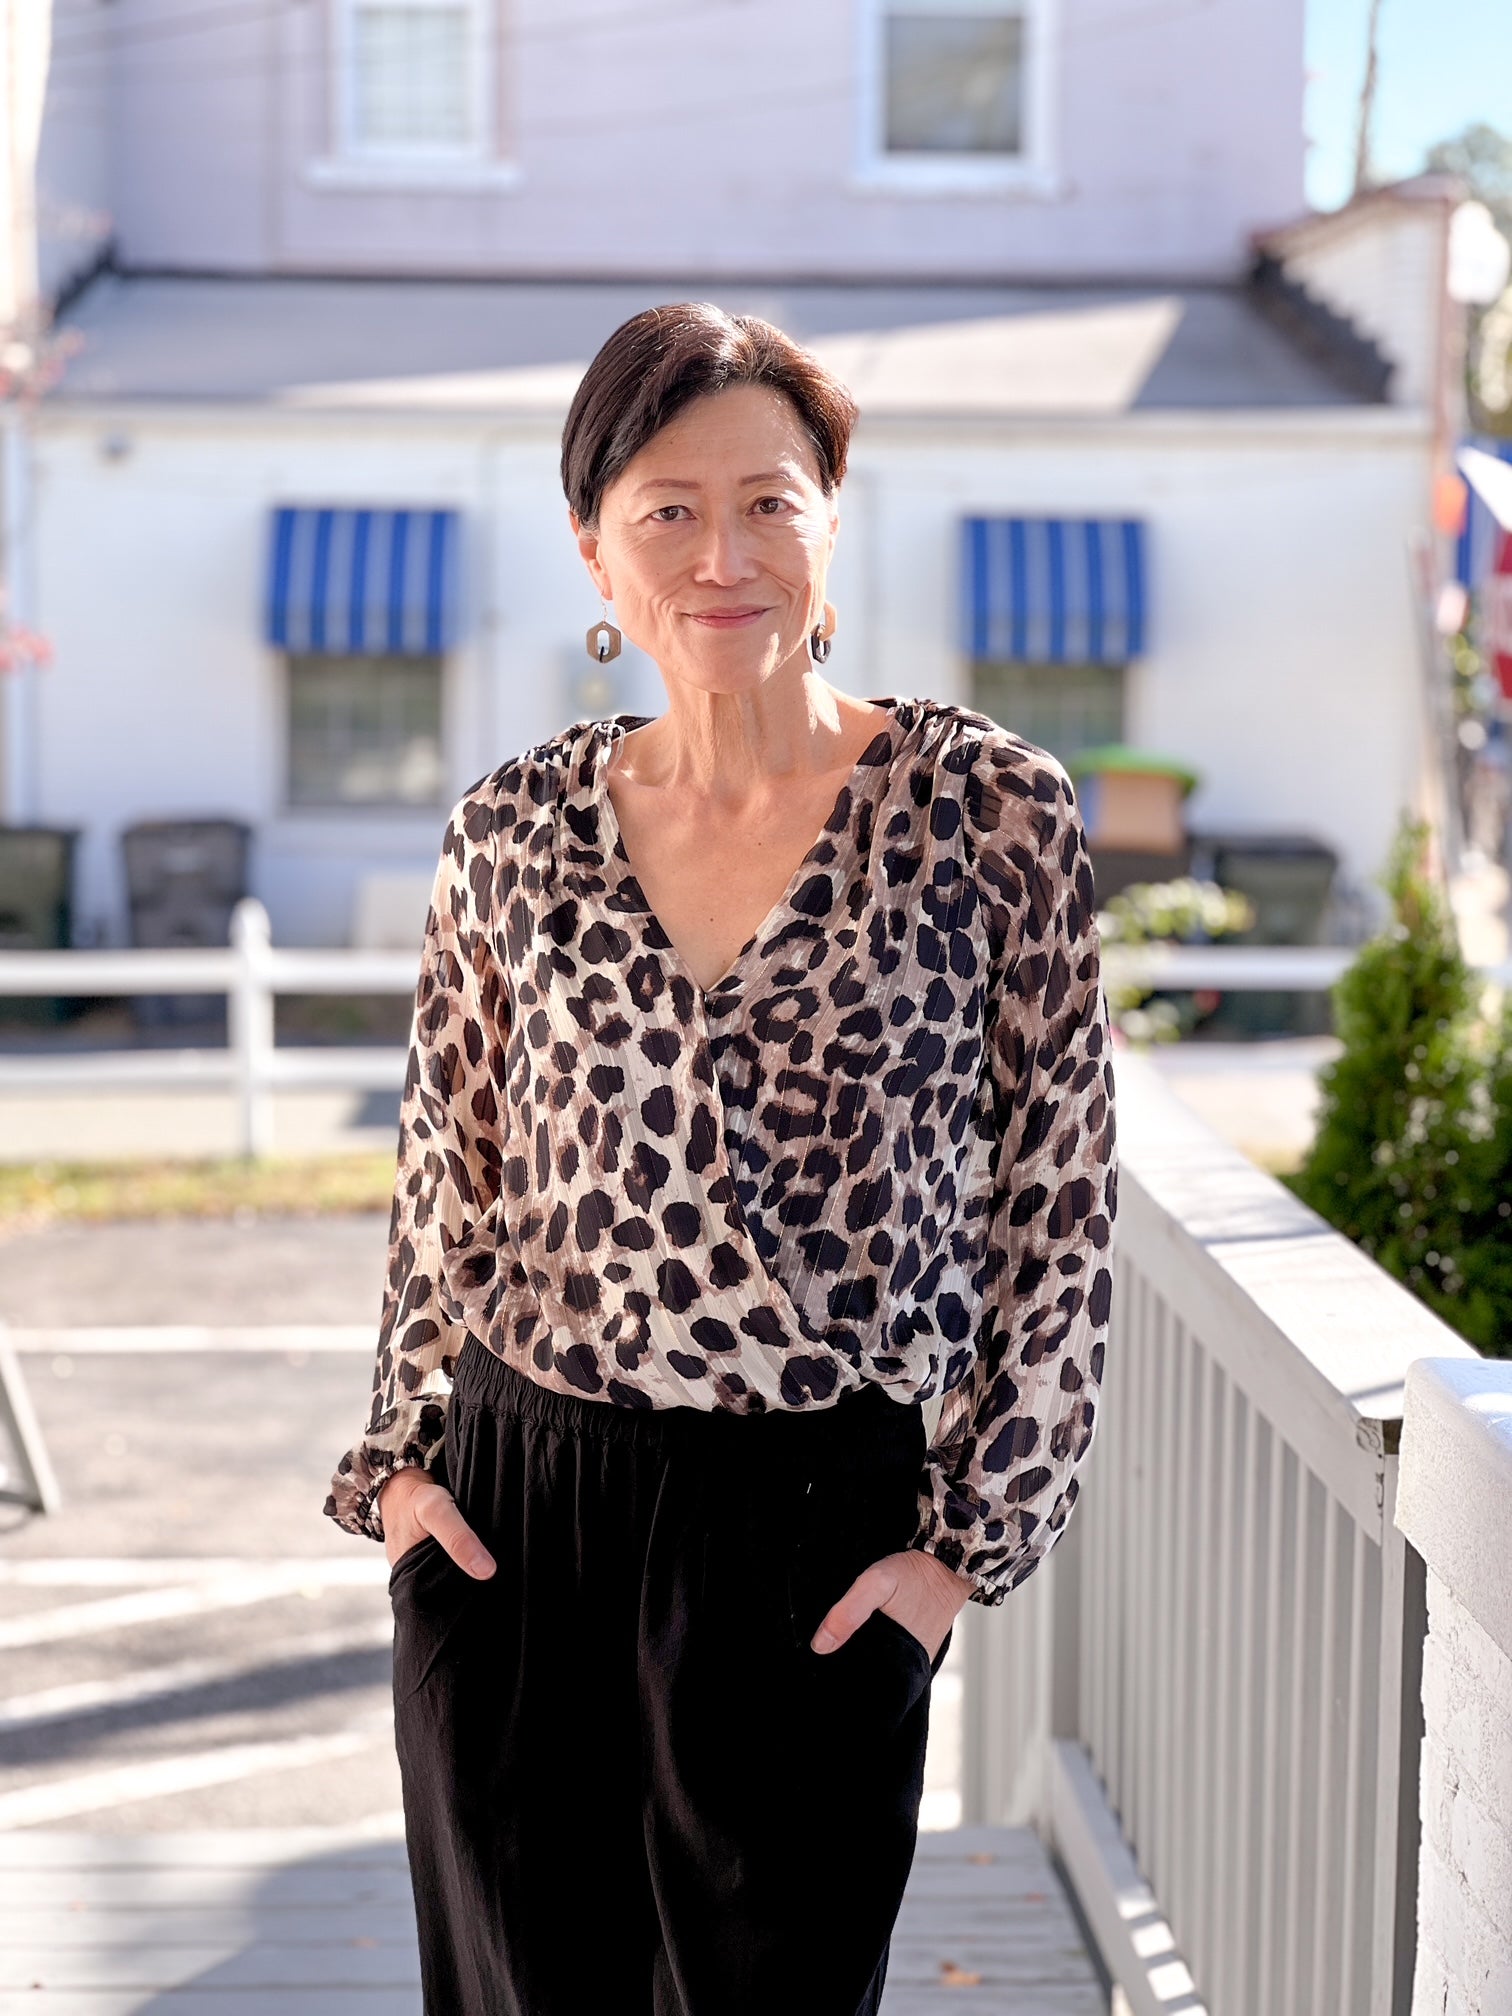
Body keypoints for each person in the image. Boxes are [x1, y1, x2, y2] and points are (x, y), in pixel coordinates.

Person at [325, 302, 1119, 2016]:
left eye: (768, 501)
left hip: (816, 1536)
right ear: (593, 547)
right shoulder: (511, 831)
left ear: (832, 520)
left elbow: (1058, 1210)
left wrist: (962, 1551)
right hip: (518, 1519)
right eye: (668, 509)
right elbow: (444, 1177)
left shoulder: (988, 813)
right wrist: (399, 1485)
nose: (722, 555)